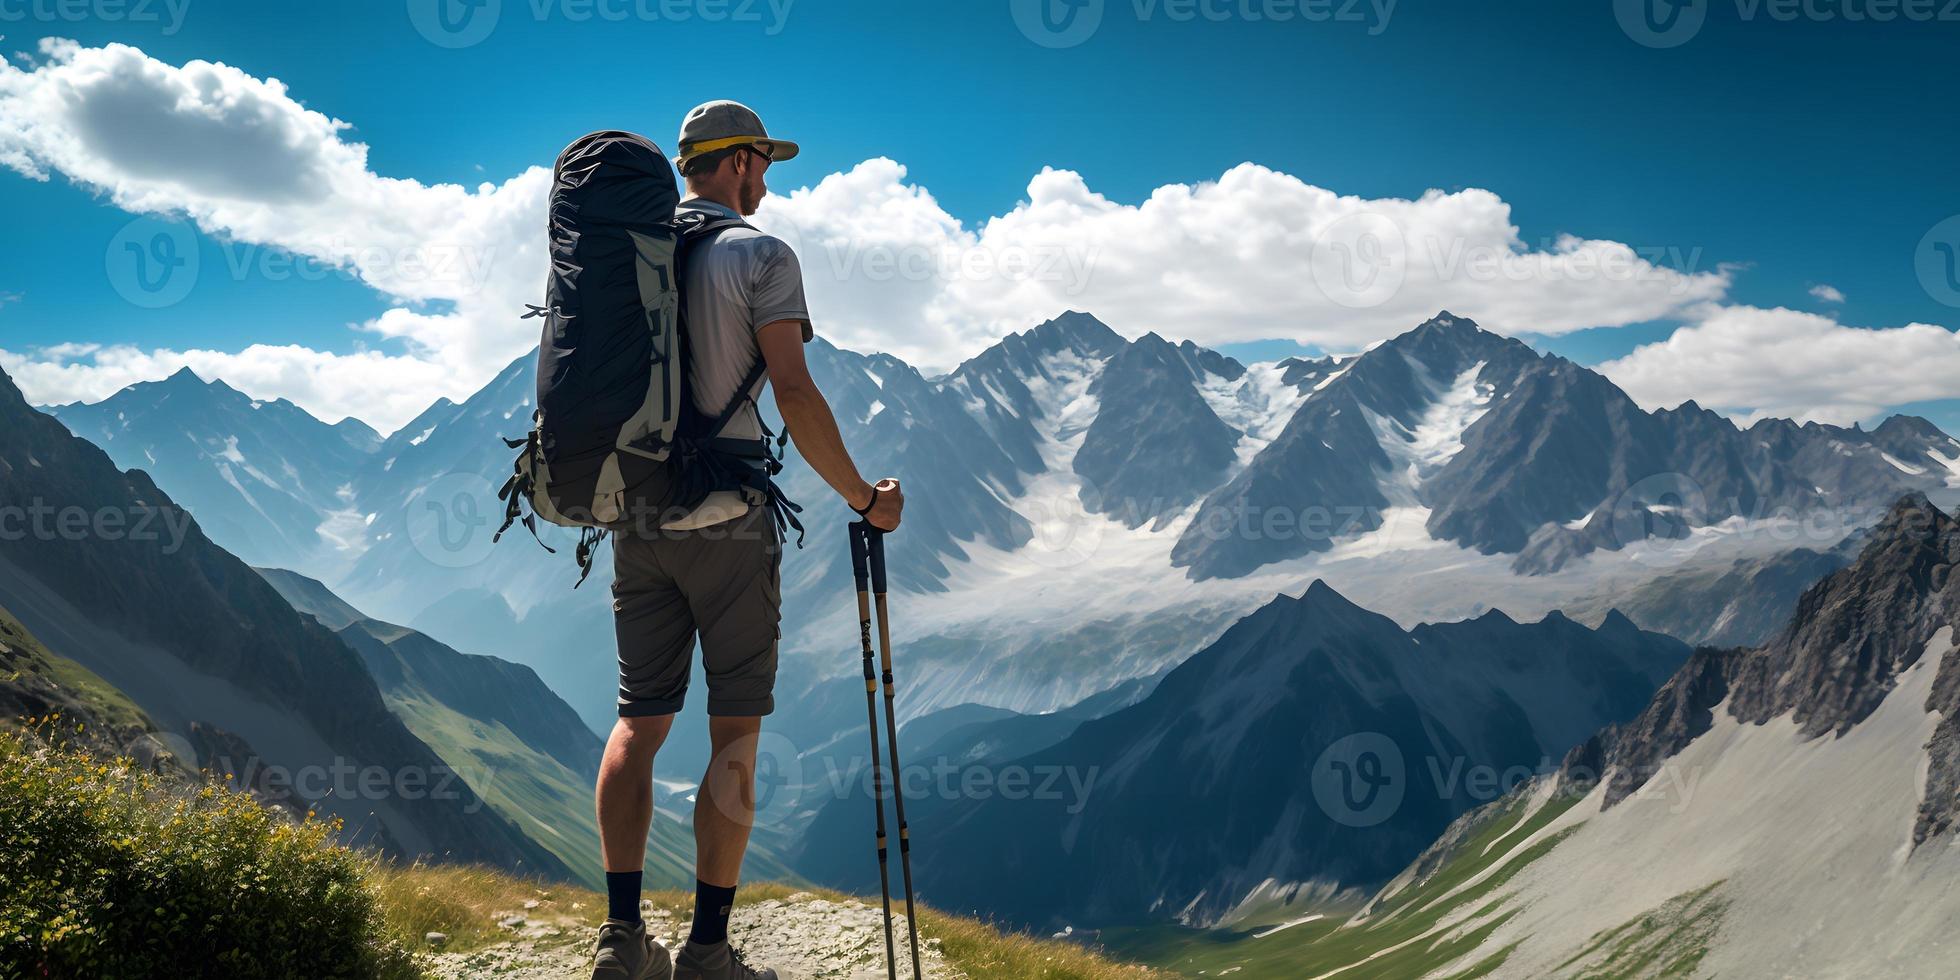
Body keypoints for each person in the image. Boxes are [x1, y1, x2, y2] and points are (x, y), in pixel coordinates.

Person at [589, 100, 904, 980]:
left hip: (634, 516)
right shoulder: (761, 254)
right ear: (736, 164)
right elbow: (795, 396)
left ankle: (620, 941)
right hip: (725, 519)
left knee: (637, 723)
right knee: (734, 738)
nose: (767, 178)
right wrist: (862, 498)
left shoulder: (630, 254)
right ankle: (708, 952)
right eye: (764, 161)